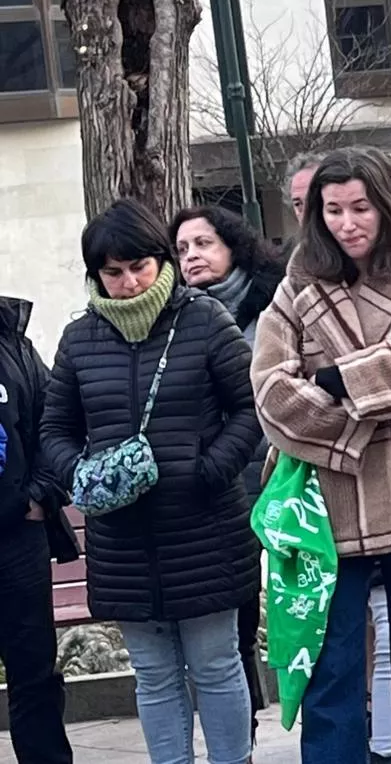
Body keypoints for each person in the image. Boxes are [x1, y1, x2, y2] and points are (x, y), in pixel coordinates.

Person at [252, 146, 391, 762]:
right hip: (329, 503)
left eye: (360, 207)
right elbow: (272, 394)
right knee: (333, 677)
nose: (346, 223)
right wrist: (372, 407)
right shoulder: (295, 286)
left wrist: (333, 379)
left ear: (384, 206)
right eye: (332, 210)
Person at [41, 199, 261, 764]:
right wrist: (80, 475)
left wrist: (209, 469)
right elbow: (56, 428)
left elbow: (251, 408)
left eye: (139, 266)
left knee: (215, 666)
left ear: (160, 260)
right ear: (97, 275)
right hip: (123, 541)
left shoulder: (204, 320)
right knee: (155, 674)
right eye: (112, 272)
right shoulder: (79, 340)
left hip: (205, 527)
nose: (129, 282)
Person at [169, 204, 287, 749]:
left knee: (307, 611)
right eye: (183, 248)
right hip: (223, 491)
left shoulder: (274, 306)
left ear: (233, 247)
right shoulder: (175, 321)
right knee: (233, 623)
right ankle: (244, 739)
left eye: (204, 243)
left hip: (283, 477)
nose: (192, 255)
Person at [0, 292, 74, 764]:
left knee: (33, 674)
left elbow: (54, 422)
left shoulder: (12, 342)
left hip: (16, 537)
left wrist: (39, 495)